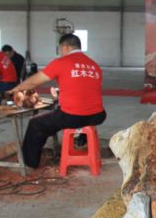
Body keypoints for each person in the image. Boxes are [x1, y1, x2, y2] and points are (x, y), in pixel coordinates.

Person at [8, 33, 106, 170]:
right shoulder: (94, 65)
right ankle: (80, 140)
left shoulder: (61, 62)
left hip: (74, 116)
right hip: (98, 115)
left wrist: (14, 90)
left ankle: (28, 164)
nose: (60, 52)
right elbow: (84, 88)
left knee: (36, 123)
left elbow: (32, 83)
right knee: (59, 114)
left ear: (65, 47)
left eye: (60, 49)